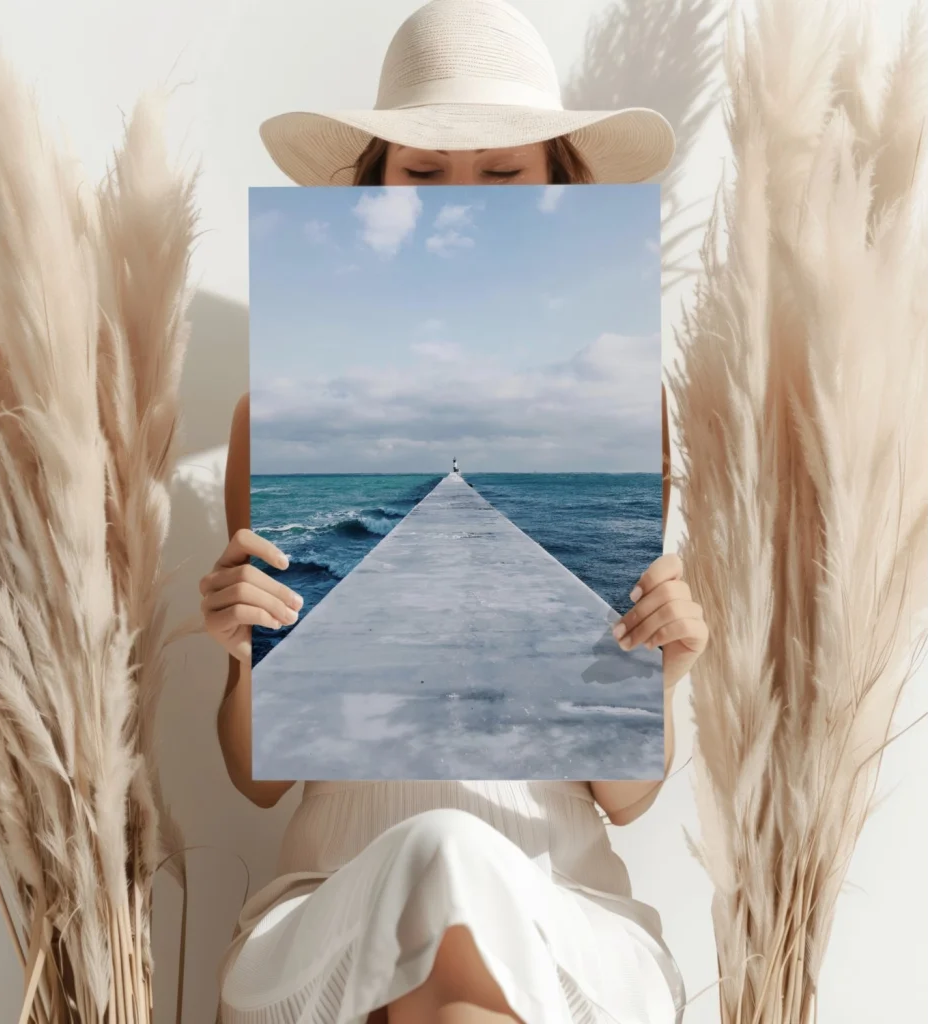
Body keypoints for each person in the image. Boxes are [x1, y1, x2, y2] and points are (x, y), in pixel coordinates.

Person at [200, 2, 709, 1022]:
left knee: (460, 878)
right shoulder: (275, 415)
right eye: (422, 174)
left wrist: (668, 666)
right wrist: (238, 645)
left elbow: (620, 798)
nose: (458, 199)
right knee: (438, 856)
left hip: (561, 902)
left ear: (557, 186)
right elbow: (259, 784)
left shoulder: (626, 411)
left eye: (503, 172)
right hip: (334, 901)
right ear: (376, 186)